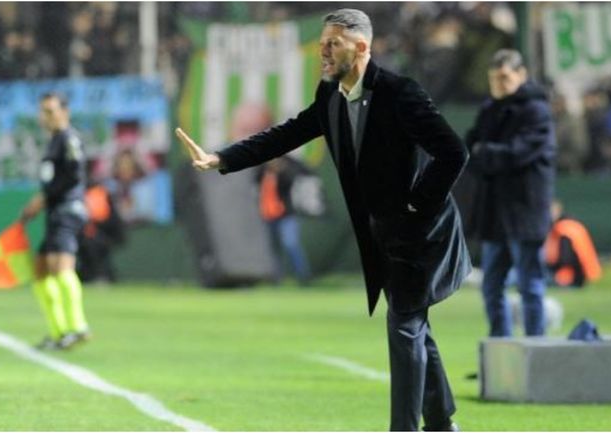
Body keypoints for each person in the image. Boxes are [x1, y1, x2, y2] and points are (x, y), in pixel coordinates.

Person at [175, 9, 470, 431]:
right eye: (322, 44)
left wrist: (415, 205)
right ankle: (441, 423)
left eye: (333, 43)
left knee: (405, 324)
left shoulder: (401, 93)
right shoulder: (330, 95)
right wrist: (221, 158)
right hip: (383, 232)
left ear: (361, 47)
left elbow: (453, 152)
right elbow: (285, 135)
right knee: (412, 320)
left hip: (422, 231)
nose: (324, 52)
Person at [465, 49, 556, 337]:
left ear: (521, 75)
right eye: (494, 78)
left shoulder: (536, 111)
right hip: (495, 212)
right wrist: (488, 154)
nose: (498, 84)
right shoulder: (489, 109)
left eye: (504, 77)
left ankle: (536, 348)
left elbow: (518, 153)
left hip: (524, 210)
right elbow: (471, 151)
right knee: (491, 285)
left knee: (530, 284)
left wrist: (485, 153)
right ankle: (500, 348)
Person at [19, 93, 92, 350]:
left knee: (61, 266)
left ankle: (78, 326)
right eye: (43, 111)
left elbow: (74, 174)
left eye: (50, 111)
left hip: (68, 209)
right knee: (40, 269)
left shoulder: (69, 138)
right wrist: (42, 200)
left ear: (64, 112)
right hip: (55, 211)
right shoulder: (54, 142)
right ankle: (59, 332)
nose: (45, 117)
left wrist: (44, 197)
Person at [257, 156, 313, 285]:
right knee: (273, 249)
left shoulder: (285, 172)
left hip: (286, 215)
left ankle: (303, 276)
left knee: (290, 243)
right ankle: (276, 279)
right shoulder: (263, 172)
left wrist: (279, 170)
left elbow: (289, 180)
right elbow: (255, 181)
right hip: (268, 216)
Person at [543, 200, 601, 288]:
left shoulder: (563, 229)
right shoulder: (571, 224)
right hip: (585, 273)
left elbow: (566, 258)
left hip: (571, 276)